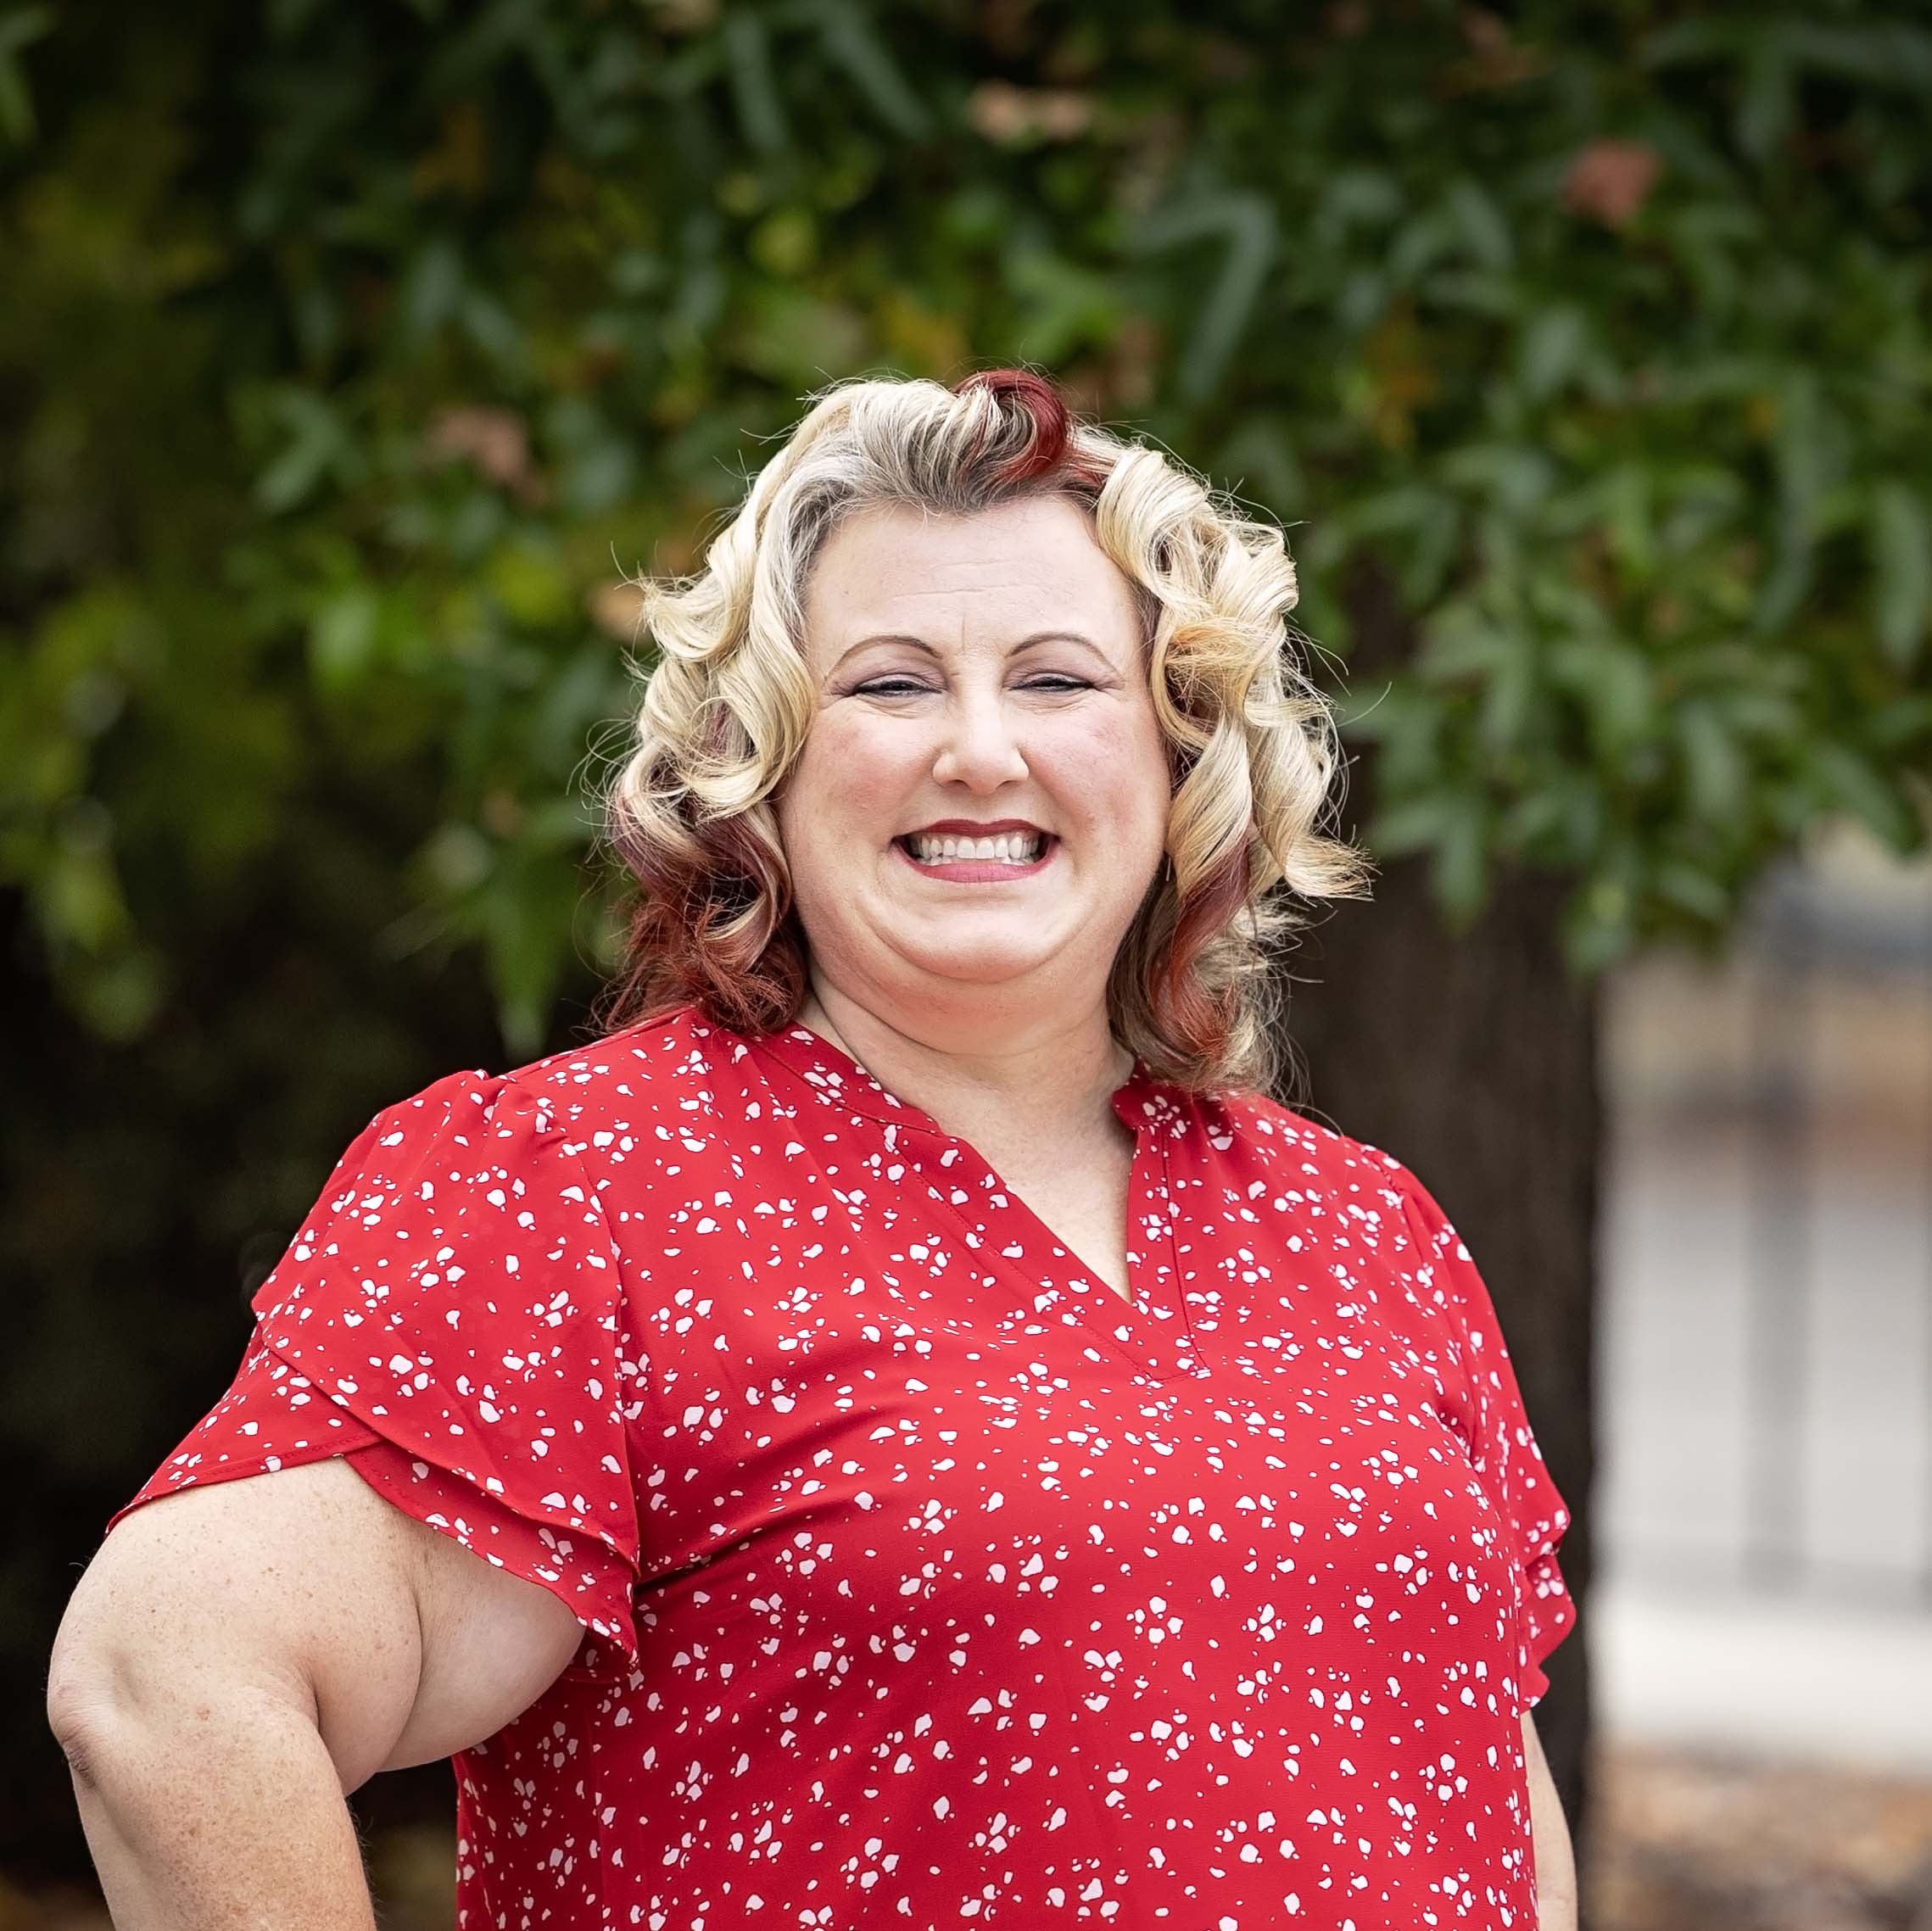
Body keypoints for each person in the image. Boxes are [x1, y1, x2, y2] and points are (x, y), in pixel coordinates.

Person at [47, 367, 1578, 1930]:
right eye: (891, 685)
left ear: (1178, 755)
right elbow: (167, 1685)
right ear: (760, 771)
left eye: (1058, 682)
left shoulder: (1365, 1229)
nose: (980, 751)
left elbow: (1488, 1795)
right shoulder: (586, 1189)